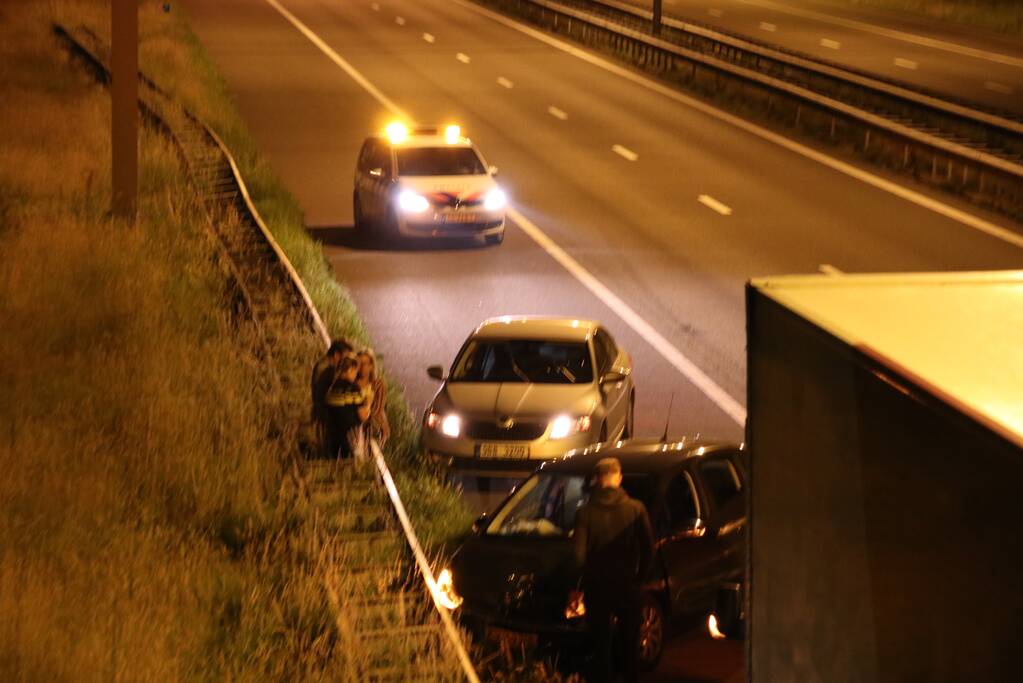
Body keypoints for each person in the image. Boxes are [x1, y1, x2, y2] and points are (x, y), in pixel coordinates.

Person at [572, 457, 655, 683]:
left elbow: (578, 556)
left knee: (601, 649)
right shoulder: (636, 509)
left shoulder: (585, 514)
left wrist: (580, 583)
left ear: (597, 480)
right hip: (628, 586)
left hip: (597, 589)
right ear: (619, 477)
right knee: (630, 648)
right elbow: (649, 548)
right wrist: (640, 577)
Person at [311, 339, 353, 456]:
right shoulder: (327, 370)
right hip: (326, 420)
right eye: (345, 358)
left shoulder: (324, 365)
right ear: (336, 355)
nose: (346, 362)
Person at [324, 354, 369, 459]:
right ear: (350, 370)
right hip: (351, 439)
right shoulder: (353, 388)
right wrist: (368, 403)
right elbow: (363, 416)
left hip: (333, 438)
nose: (355, 375)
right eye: (355, 371)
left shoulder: (332, 388)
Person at [356, 348, 391, 446]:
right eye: (360, 363)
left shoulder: (378, 384)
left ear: (371, 365)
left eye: (365, 363)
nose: (362, 367)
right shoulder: (352, 383)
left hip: (374, 422)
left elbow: (378, 409)